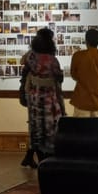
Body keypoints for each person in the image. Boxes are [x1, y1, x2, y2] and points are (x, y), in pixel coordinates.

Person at [21, 28, 64, 165]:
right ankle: (48, 160)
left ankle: (38, 157)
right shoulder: (52, 60)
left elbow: (24, 64)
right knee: (50, 127)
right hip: (49, 99)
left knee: (36, 128)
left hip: (34, 97)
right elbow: (59, 77)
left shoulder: (31, 57)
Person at [69, 29, 98, 117]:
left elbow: (73, 75)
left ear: (86, 41)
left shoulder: (77, 56)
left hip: (81, 100)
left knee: (81, 130)